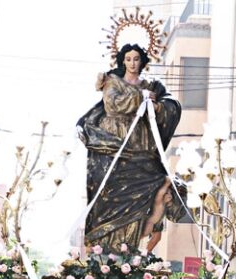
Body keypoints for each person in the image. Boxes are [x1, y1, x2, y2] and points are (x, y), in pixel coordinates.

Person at [78, 43, 185, 251]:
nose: (133, 63)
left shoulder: (152, 85)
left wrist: (156, 106)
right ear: (122, 61)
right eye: (128, 59)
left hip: (141, 145)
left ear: (142, 61)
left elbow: (170, 106)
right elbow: (112, 104)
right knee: (111, 192)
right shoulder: (112, 81)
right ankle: (106, 247)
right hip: (114, 143)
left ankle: (130, 247)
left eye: (136, 59)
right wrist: (140, 98)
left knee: (141, 191)